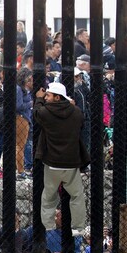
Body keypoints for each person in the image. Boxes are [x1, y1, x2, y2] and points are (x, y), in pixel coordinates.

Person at [34, 82, 88, 231]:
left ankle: (49, 227)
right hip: (71, 162)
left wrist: (38, 98)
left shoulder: (45, 112)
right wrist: (72, 106)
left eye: (49, 95)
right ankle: (77, 227)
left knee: (49, 197)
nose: (46, 98)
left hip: (52, 163)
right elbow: (81, 123)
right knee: (77, 196)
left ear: (57, 97)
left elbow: (36, 113)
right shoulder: (76, 112)